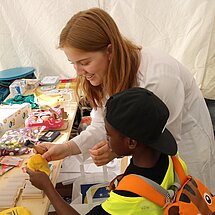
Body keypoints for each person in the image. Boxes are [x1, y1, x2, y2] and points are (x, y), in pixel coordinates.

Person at [37, 7, 215, 193]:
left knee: (188, 201)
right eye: (73, 63)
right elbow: (101, 123)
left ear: (110, 51)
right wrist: (67, 148)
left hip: (185, 149)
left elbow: (164, 138)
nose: (78, 72)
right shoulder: (108, 72)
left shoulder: (159, 78)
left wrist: (114, 151)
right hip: (152, 153)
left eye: (84, 62)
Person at [27, 87, 187, 215]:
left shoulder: (128, 199)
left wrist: (48, 187)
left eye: (109, 136)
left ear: (131, 142)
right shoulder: (172, 158)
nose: (107, 142)